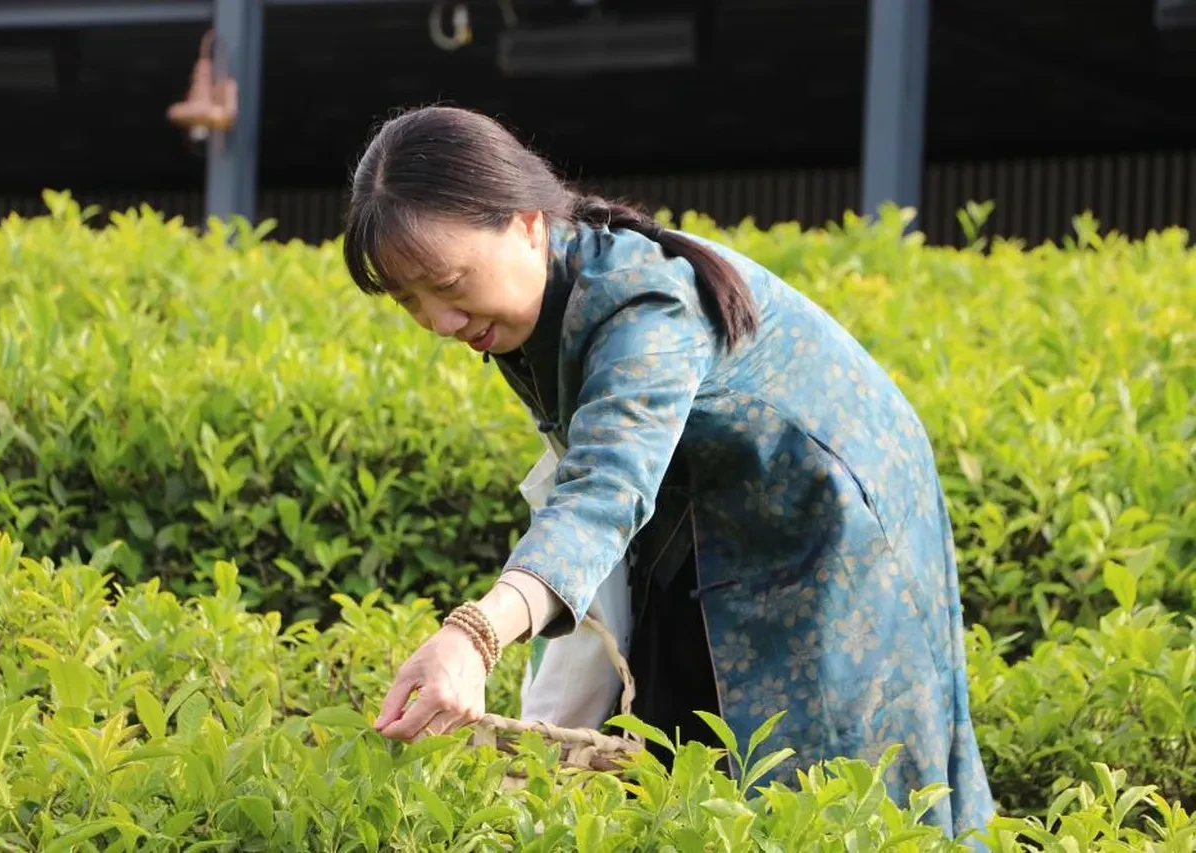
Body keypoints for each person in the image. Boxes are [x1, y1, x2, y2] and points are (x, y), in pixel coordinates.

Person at [342, 104, 995, 839]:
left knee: (828, 798)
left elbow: (604, 490)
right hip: (700, 533)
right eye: (409, 300)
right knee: (670, 777)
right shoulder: (526, 308)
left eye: (449, 282)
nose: (440, 322)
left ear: (526, 224)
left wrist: (475, 635)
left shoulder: (643, 304)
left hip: (834, 536)